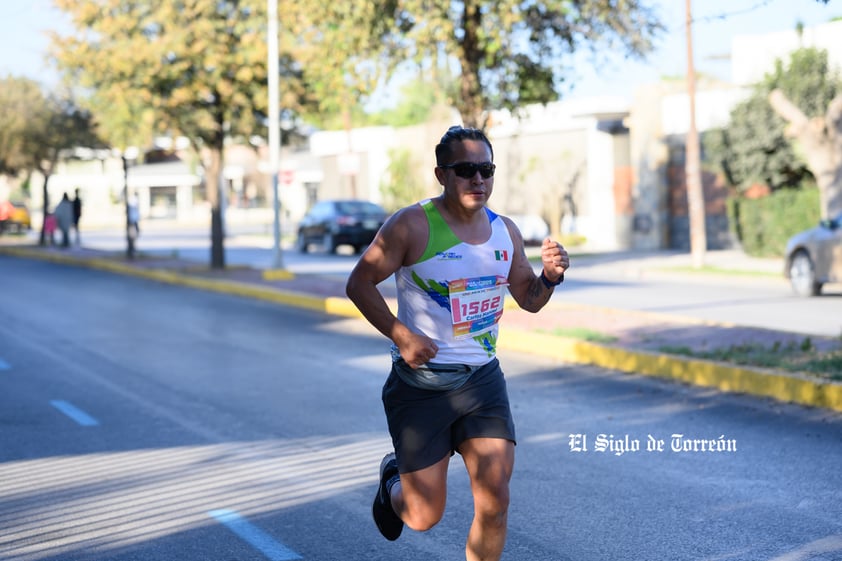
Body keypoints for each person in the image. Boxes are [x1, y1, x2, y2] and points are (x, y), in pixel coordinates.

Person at [345, 125, 569, 561]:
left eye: (486, 169)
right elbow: (359, 283)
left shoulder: (504, 230)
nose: (478, 180)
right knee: (422, 516)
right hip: (421, 388)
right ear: (441, 174)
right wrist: (400, 333)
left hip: (482, 383)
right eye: (465, 170)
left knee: (495, 500)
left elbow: (529, 299)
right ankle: (394, 479)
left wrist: (550, 278)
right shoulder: (411, 225)